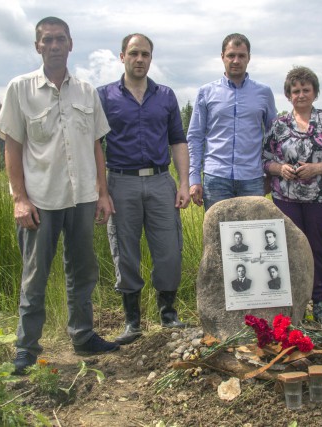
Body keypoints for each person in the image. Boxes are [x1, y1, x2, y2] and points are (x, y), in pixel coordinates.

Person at [0, 16, 119, 375]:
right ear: (37, 46)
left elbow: (96, 144)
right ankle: (26, 349)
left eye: (59, 39)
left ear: (70, 44)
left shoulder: (86, 91)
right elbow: (13, 147)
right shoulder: (20, 89)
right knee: (34, 277)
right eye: (46, 40)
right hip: (40, 200)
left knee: (83, 272)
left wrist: (102, 192)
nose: (53, 45)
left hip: (81, 197)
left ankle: (83, 336)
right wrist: (19, 198)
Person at [97, 34, 190, 345]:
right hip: (120, 181)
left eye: (145, 54)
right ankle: (132, 321)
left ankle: (168, 314)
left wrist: (184, 182)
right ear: (122, 55)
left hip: (160, 181)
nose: (140, 59)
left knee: (168, 249)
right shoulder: (105, 96)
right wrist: (102, 191)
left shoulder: (165, 96)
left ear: (151, 58)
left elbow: (178, 140)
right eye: (134, 53)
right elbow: (95, 145)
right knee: (124, 252)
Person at [263, 66, 322, 325]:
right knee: (287, 251)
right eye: (295, 90)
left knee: (316, 250)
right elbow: (264, 158)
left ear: (315, 92)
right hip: (285, 198)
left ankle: (320, 302)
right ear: (288, 95)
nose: (300, 95)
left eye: (306, 90)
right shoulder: (279, 125)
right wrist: (281, 169)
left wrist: (318, 168)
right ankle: (292, 305)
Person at [188, 33, 277, 209]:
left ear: (249, 58)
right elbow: (195, 136)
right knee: (217, 234)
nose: (236, 60)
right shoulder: (206, 92)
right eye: (231, 55)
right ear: (222, 57)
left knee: (253, 233)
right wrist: (194, 178)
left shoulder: (264, 93)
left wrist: (270, 175)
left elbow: (273, 137)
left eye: (241, 56)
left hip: (252, 177)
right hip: (216, 178)